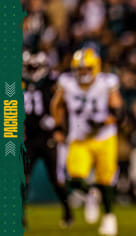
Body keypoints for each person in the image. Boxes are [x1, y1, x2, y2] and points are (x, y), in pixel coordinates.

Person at [50, 48, 123, 236]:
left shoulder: (107, 82)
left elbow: (118, 112)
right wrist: (58, 127)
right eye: (80, 69)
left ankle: (108, 218)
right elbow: (56, 105)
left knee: (105, 180)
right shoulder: (66, 82)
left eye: (86, 69)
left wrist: (102, 121)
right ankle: (91, 194)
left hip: (104, 136)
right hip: (79, 136)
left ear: (96, 67)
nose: (82, 73)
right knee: (73, 177)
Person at [22, 50, 73, 227]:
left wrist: (58, 126)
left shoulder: (52, 83)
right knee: (22, 178)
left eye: (34, 67)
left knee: (56, 178)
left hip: (48, 137)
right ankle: (19, 216)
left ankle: (67, 211)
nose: (32, 70)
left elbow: (62, 106)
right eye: (29, 67)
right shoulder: (18, 83)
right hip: (28, 138)